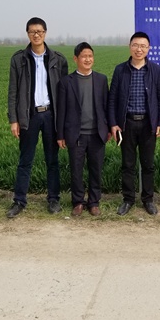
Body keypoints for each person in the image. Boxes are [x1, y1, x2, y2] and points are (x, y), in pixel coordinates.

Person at [6, 17, 68, 218]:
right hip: (29, 115)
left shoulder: (58, 59)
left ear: (45, 33)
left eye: (39, 31)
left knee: (52, 160)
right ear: (28, 34)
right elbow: (13, 92)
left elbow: (65, 94)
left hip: (51, 115)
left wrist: (64, 121)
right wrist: (14, 120)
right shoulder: (19, 59)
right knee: (25, 160)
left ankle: (53, 199)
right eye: (32, 31)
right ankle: (19, 201)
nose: (36, 35)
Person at [108, 32, 160, 216]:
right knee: (128, 164)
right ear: (130, 47)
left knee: (148, 164)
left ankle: (148, 200)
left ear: (148, 49)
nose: (139, 49)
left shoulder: (155, 70)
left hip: (148, 124)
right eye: (135, 45)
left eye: (143, 46)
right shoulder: (121, 70)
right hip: (127, 124)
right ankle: (128, 199)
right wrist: (113, 123)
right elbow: (112, 99)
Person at [56, 42, 110, 217]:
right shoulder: (66, 82)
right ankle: (78, 202)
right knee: (76, 170)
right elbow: (61, 110)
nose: (88, 59)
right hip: (76, 134)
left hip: (97, 134)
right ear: (76, 59)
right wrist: (60, 135)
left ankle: (94, 202)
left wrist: (109, 128)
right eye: (84, 56)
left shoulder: (101, 80)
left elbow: (107, 106)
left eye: (90, 56)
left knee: (96, 169)